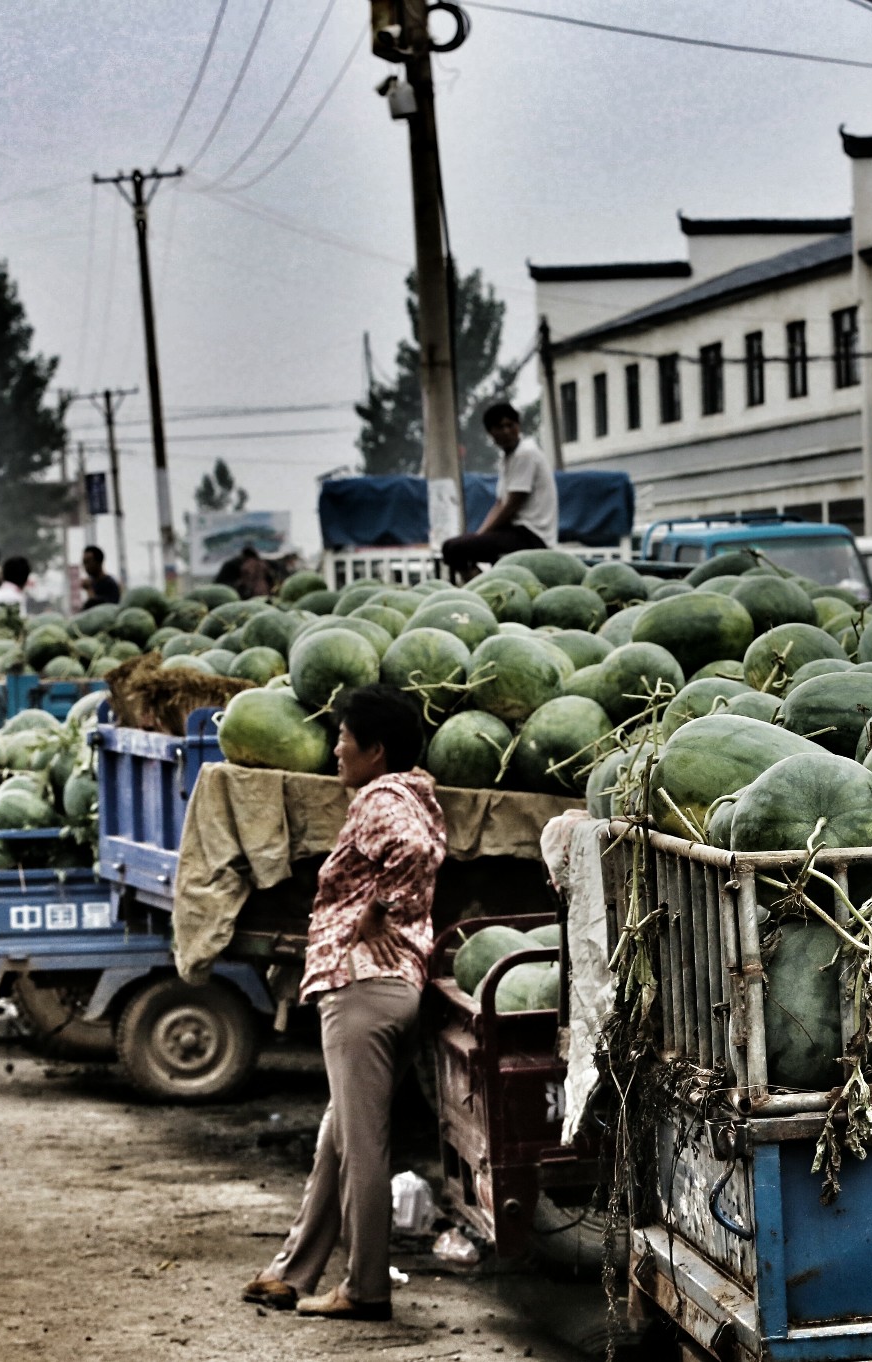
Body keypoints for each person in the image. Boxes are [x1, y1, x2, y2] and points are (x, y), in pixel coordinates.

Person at [244, 685, 446, 1321]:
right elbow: (424, 847)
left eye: (344, 738)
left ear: (375, 749)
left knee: (362, 1147)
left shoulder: (381, 798)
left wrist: (381, 909)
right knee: (339, 1138)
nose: (335, 749)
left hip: (362, 989)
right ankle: (291, 1272)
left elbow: (412, 852)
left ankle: (365, 1290)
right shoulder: (414, 792)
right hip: (387, 987)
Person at [439, 402, 558, 580]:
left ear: (518, 426)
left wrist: (479, 537)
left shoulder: (525, 453)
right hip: (514, 532)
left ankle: (478, 586)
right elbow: (500, 503)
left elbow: (511, 506)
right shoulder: (508, 458)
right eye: (499, 427)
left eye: (510, 425)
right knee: (452, 547)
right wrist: (479, 535)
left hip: (532, 536)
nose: (506, 431)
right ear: (491, 433)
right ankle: (480, 582)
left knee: (455, 548)